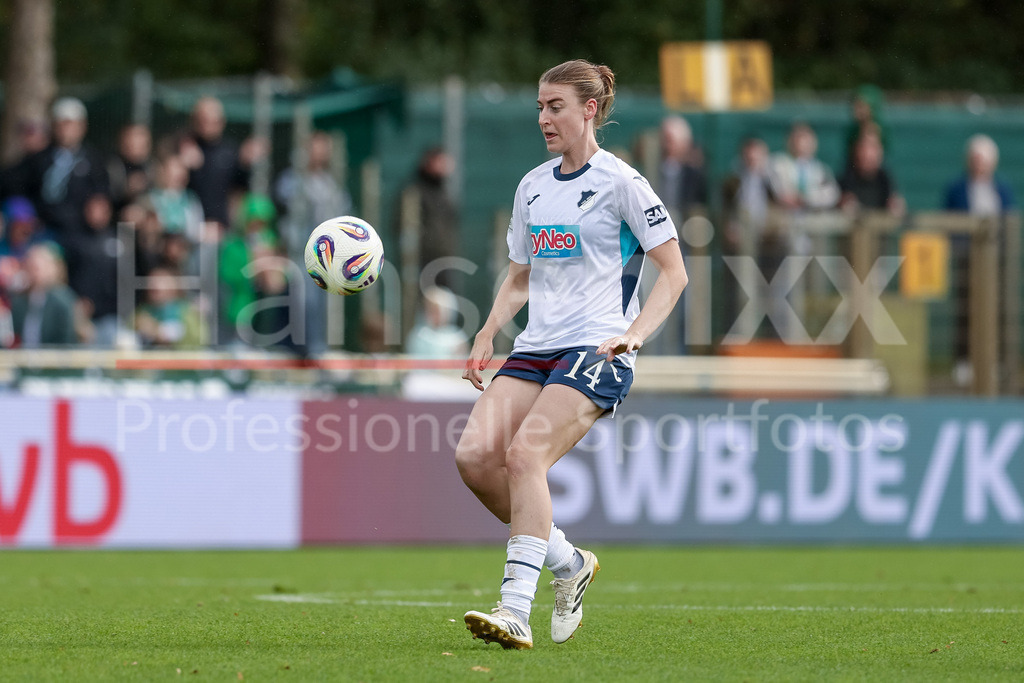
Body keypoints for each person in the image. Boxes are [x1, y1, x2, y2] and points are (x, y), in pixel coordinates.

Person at [456, 60, 687, 650]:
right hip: (536, 346)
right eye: (539, 106)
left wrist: (635, 333)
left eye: (555, 105)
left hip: (598, 347)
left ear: (589, 109)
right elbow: (518, 277)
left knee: (524, 455)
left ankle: (514, 611)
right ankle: (569, 562)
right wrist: (487, 331)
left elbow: (674, 274)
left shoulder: (622, 183)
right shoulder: (532, 186)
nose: (543, 118)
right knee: (476, 459)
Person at [942, 134, 1016, 385]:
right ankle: (964, 362)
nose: (979, 164)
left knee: (997, 312)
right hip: (967, 260)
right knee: (966, 312)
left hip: (996, 263)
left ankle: (995, 362)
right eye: (975, 159)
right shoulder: (956, 188)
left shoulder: (1002, 190)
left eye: (983, 160)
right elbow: (949, 222)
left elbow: (1010, 223)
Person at [17, 98, 109, 246]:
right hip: (42, 228)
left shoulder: (94, 160)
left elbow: (101, 193)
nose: (64, 129)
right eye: (60, 124)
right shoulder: (38, 159)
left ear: (82, 126)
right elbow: (22, 189)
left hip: (79, 229)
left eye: (69, 124)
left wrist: (99, 208)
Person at [396, 146, 460, 291]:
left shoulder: (443, 192)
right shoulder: (413, 192)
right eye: (440, 161)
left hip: (443, 260)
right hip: (421, 260)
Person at [8, 242, 79, 347]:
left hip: (53, 360)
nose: (35, 272)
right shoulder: (19, 300)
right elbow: (14, 336)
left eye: (39, 267)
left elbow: (66, 340)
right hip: (24, 359)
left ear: (52, 268)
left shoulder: (63, 300)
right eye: (32, 267)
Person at [838, 127, 904, 215]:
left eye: (873, 147)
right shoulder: (846, 179)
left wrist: (895, 206)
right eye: (864, 147)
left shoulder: (885, 179)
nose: (868, 153)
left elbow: (895, 205)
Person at [657, 115, 707, 221]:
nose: (667, 145)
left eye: (670, 140)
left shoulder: (694, 177)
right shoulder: (651, 171)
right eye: (665, 139)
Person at [107, 123, 154, 211]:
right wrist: (127, 189)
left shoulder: (151, 167)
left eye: (143, 143)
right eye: (134, 142)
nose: (138, 146)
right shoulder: (113, 165)